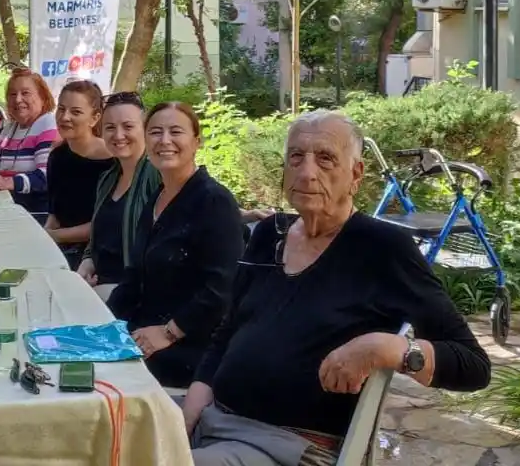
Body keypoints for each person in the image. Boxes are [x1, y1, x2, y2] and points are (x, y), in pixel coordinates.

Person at [181, 111, 491, 466]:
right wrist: (190, 409)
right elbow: (228, 331)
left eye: (325, 158)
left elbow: (474, 365)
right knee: (115, 428)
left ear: (355, 175)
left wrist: (388, 347)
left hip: (289, 446)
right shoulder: (270, 234)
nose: (307, 172)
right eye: (296, 157)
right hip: (215, 421)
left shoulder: (383, 249)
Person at [106, 102, 244, 389]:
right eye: (155, 132)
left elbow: (221, 290)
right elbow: (134, 278)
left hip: (189, 347)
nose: (164, 141)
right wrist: (103, 323)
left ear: (196, 141)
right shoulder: (156, 200)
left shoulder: (214, 202)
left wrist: (169, 333)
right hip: (142, 331)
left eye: (175, 131)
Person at [77, 91, 162, 301]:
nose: (118, 134)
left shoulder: (158, 174)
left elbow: (196, 205)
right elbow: (99, 235)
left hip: (138, 294)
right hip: (100, 284)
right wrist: (87, 262)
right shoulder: (107, 178)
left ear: (145, 129)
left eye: (128, 126)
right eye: (110, 127)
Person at [0, 68, 59, 222]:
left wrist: (8, 182)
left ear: (43, 98)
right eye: (12, 94)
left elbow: (47, 176)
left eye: (25, 93)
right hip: (9, 207)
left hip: (34, 215)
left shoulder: (47, 125)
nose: (18, 99)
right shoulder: (12, 128)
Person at [44, 80, 114, 268]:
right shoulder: (57, 157)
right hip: (61, 246)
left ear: (94, 118)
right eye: (61, 109)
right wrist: (44, 236)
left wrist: (54, 237)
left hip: (99, 252)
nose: (65, 117)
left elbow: (107, 223)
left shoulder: (113, 161)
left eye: (76, 112)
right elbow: (55, 214)